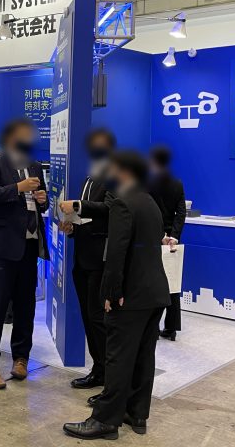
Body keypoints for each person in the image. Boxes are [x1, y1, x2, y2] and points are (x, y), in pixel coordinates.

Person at [64, 151, 171, 440]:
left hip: (131, 295)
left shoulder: (123, 201)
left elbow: (116, 252)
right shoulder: (148, 200)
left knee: (118, 357)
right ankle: (136, 413)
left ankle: (105, 420)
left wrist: (111, 292)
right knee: (143, 356)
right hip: (155, 292)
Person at [0, 118, 48, 390]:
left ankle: (21, 358)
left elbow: (40, 203)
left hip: (29, 247)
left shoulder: (34, 165)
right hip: (1, 248)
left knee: (25, 307)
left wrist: (42, 200)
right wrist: (19, 188)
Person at [58, 128, 117, 390]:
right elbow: (88, 217)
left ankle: (108, 374)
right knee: (88, 316)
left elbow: (110, 209)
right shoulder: (89, 177)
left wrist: (78, 206)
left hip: (100, 259)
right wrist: (72, 226)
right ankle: (99, 369)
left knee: (98, 318)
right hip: (82, 258)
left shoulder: (115, 176)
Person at [148, 145, 186, 341]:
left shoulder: (148, 183)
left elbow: (149, 212)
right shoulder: (177, 183)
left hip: (154, 238)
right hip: (173, 240)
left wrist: (160, 234)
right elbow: (181, 212)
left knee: (153, 283)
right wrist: (174, 236)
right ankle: (171, 328)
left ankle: (152, 328)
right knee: (173, 283)